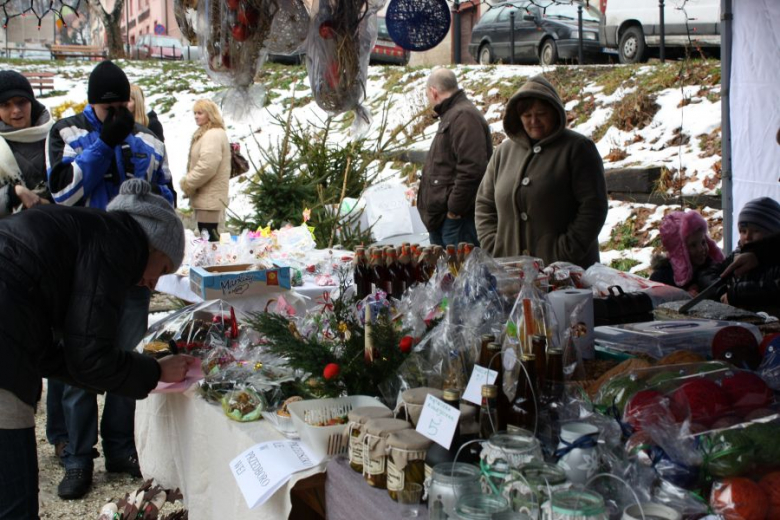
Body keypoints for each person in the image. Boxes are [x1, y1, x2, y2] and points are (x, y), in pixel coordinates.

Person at [0, 178, 194, 519]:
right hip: (5, 338)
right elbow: (90, 357)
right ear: (152, 244)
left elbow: (55, 354)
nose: (152, 284)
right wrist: (155, 371)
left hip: (15, 328)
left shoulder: (95, 231)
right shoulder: (114, 245)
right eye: (162, 269)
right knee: (14, 495)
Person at [45, 60, 174, 500]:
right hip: (79, 271)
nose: (116, 115)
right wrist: (103, 143)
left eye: (121, 107)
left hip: (132, 273)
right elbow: (63, 193)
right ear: (92, 105)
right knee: (79, 364)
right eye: (106, 109)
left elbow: (167, 198)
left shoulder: (150, 140)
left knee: (128, 358)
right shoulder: (67, 134)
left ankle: (122, 448)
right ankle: (79, 457)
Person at [475, 75, 608, 267]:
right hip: (510, 270)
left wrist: (564, 251)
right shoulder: (504, 152)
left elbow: (593, 207)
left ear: (555, 113)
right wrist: (495, 245)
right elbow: (484, 204)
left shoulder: (577, 148)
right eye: (527, 116)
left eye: (541, 113)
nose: (534, 121)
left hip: (565, 273)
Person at [416, 67, 492, 247]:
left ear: (434, 92)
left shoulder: (463, 116)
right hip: (446, 221)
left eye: (428, 96)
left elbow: (473, 169)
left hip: (457, 223)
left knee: (463, 273)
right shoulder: (454, 115)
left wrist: (454, 211)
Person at [698, 197, 780, 313]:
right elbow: (707, 274)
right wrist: (721, 291)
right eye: (743, 231)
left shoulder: (775, 262)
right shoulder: (737, 256)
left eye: (756, 231)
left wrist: (738, 293)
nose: (747, 237)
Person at [0, 70, 53, 216]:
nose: (16, 110)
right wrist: (13, 194)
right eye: (6, 104)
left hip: (60, 225)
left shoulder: (56, 134)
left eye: (21, 102)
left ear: (32, 102)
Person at [179, 98, 230, 241]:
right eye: (195, 113)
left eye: (200, 113)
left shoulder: (212, 134)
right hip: (208, 197)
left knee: (209, 239)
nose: (196, 116)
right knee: (208, 238)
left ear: (210, 114)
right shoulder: (210, 133)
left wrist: (188, 183)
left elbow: (208, 166)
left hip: (209, 198)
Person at [650, 210, 724, 294]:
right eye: (693, 245)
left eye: (703, 242)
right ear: (679, 251)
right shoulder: (662, 277)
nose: (701, 249)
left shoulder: (712, 267)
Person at [128, 83, 176, 206]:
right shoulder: (121, 124)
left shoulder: (152, 125)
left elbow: (162, 159)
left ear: (137, 102)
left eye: (130, 99)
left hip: (149, 186)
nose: (125, 104)